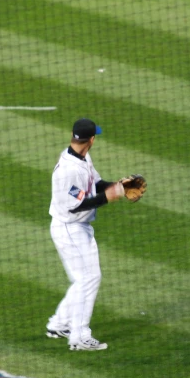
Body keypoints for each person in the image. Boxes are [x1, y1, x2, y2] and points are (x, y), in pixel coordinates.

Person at [45, 118, 126, 351]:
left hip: (76, 228)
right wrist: (112, 196)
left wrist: (119, 185)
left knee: (85, 279)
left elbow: (97, 184)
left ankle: (59, 323)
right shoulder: (69, 170)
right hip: (70, 228)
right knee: (89, 278)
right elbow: (77, 205)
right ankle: (79, 337)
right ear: (91, 139)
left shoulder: (81, 157)